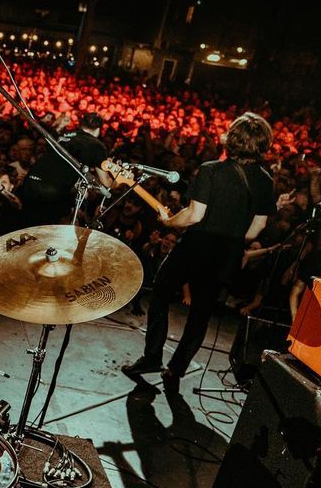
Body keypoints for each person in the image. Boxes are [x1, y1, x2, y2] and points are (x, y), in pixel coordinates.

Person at [123, 113, 276, 396]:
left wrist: (169, 221)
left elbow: (194, 215)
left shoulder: (211, 170)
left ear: (232, 138)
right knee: (201, 315)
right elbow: (258, 227)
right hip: (226, 254)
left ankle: (152, 357)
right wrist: (231, 234)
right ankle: (176, 369)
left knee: (161, 292)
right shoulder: (266, 180)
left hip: (196, 245)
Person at [15, 112, 112, 226]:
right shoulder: (97, 145)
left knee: (24, 227)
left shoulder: (64, 135)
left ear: (80, 124)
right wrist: (117, 181)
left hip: (30, 183)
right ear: (98, 130)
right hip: (52, 192)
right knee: (48, 230)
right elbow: (106, 182)